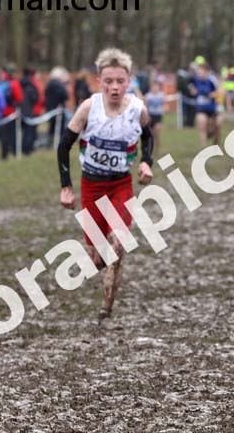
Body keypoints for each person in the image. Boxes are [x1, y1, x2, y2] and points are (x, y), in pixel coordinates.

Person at [56, 48, 154, 322]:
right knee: (96, 258)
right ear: (99, 80)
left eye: (120, 81)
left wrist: (147, 162)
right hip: (91, 186)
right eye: (108, 81)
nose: (114, 87)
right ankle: (100, 271)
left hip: (121, 186)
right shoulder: (89, 107)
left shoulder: (137, 109)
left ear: (129, 81)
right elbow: (64, 146)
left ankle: (106, 307)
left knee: (118, 244)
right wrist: (66, 186)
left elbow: (148, 137)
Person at [189, 62, 221, 147]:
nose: (199, 73)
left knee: (217, 126)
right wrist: (194, 92)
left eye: (200, 71)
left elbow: (220, 91)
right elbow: (192, 90)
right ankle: (203, 147)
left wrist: (210, 94)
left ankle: (216, 143)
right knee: (202, 125)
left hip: (212, 108)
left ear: (206, 71)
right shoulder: (196, 79)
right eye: (198, 71)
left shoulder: (212, 80)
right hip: (201, 108)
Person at [45, 66, 70, 146]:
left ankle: (51, 142)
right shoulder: (57, 84)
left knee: (52, 127)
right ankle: (56, 142)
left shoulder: (49, 83)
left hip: (51, 108)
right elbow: (65, 95)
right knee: (58, 127)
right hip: (57, 108)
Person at [20, 68, 41, 155]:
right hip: (29, 110)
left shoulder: (19, 83)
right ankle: (28, 149)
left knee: (22, 131)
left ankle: (21, 148)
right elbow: (35, 98)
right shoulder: (32, 85)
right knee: (29, 131)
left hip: (20, 110)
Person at [144, 79, 165, 157]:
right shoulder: (148, 96)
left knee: (157, 134)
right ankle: (151, 150)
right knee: (151, 135)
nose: (155, 88)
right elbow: (145, 106)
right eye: (153, 86)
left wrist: (165, 109)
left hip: (158, 116)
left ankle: (157, 150)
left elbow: (164, 105)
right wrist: (147, 116)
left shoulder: (161, 95)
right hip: (150, 117)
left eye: (156, 86)